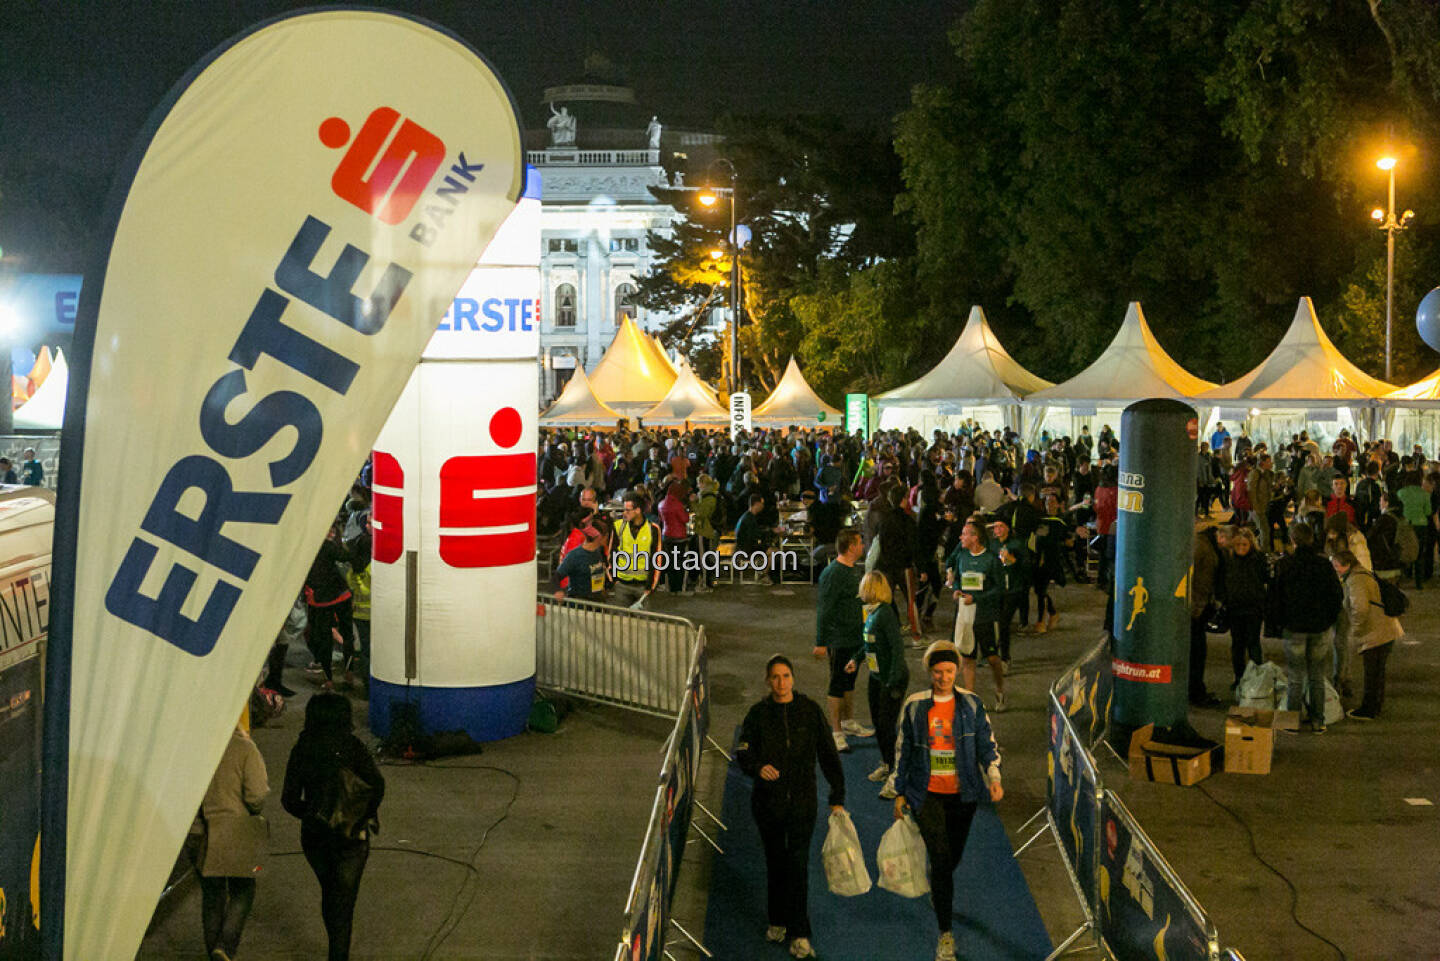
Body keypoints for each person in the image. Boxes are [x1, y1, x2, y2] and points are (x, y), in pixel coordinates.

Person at [893, 640, 1004, 961]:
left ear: (957, 670)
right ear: (929, 671)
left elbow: (987, 743)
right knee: (942, 859)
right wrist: (898, 791)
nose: (944, 677)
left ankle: (939, 882)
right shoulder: (915, 706)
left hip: (964, 794)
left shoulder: (971, 704)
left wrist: (994, 777)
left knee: (951, 858)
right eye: (938, 671)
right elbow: (903, 751)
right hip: (924, 794)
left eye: (950, 671)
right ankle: (945, 934)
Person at [736, 655, 845, 960]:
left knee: (797, 867)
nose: (781, 683)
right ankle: (777, 919)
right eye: (775, 677)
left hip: (802, 804)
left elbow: (828, 754)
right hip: (767, 805)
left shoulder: (809, 711)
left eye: (786, 676)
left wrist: (838, 795)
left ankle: (800, 932)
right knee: (775, 863)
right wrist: (758, 768)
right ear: (767, 681)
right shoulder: (757, 714)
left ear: (793, 678)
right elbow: (742, 750)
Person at [282, 693, 385, 961]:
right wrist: (364, 812)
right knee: (345, 901)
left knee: (329, 891)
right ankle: (338, 954)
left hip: (315, 837)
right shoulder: (353, 746)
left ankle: (334, 946)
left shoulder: (303, 748)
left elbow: (289, 799)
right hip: (351, 835)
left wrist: (314, 814)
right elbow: (377, 784)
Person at [197, 716, 269, 961]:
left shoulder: (197, 748)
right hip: (234, 828)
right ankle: (225, 947)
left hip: (200, 831)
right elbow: (257, 794)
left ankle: (214, 954)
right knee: (243, 889)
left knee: (212, 895)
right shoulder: (244, 748)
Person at [1270, 523, 1343, 732]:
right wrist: (1328, 619)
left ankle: (1292, 723)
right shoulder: (1323, 565)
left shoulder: (1285, 565)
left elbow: (1276, 598)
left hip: (1294, 628)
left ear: (1293, 540)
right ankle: (1318, 721)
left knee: (1294, 677)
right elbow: (1336, 595)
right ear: (1312, 539)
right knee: (1316, 676)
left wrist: (1280, 622)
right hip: (1319, 628)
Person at [847, 572, 909, 796]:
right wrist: (856, 658)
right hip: (876, 677)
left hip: (890, 679)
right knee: (878, 724)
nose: (861, 591)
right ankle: (886, 763)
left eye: (864, 587)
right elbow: (870, 644)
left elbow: (896, 649)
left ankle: (895, 771)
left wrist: (892, 683)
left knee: (886, 724)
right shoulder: (872, 614)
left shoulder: (884, 614)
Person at [812, 530, 870, 751]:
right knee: (837, 683)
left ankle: (848, 722)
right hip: (839, 640)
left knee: (849, 681)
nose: (863, 546)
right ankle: (836, 731)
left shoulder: (853, 571)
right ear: (851, 546)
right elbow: (824, 609)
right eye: (860, 542)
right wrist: (821, 642)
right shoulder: (832, 573)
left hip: (855, 638)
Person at [944, 518, 1007, 711]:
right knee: (967, 657)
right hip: (965, 614)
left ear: (975, 537)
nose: (961, 537)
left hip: (984, 616)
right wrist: (956, 589)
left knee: (992, 658)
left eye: (964, 534)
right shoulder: (962, 556)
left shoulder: (990, 560)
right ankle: (970, 698)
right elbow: (957, 579)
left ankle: (1000, 690)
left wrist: (978, 599)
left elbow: (999, 588)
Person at [1332, 550, 1400, 721]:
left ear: (1347, 565)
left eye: (1337, 566)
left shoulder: (1356, 580)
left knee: (1372, 672)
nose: (1336, 570)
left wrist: (1356, 629)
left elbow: (1360, 608)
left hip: (1376, 631)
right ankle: (1375, 706)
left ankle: (1368, 710)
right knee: (1377, 672)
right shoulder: (1361, 574)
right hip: (1384, 629)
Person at [304, 524, 354, 692]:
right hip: (340, 594)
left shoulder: (306, 546)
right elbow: (345, 556)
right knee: (347, 633)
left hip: (319, 600)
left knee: (323, 639)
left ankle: (329, 679)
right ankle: (349, 671)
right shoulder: (327, 546)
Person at [1220, 527, 1267, 692]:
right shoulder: (1228, 559)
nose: (1241, 548)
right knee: (1237, 645)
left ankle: (1257, 678)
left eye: (1244, 544)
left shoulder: (1258, 559)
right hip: (1235, 609)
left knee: (1253, 643)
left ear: (1251, 544)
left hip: (1253, 609)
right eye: (1238, 544)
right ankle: (1239, 677)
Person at [611, 495, 661, 606]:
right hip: (622, 584)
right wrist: (614, 579)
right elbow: (611, 552)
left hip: (643, 586)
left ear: (638, 510)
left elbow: (657, 558)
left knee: (643, 622)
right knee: (621, 621)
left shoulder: (652, 529)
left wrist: (651, 586)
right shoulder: (618, 526)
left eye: (627, 510)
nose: (624, 513)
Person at [551, 524, 607, 601]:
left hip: (595, 603)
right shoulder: (575, 555)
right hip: (579, 605)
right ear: (599, 537)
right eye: (606, 535)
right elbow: (556, 576)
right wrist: (558, 591)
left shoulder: (597, 552)